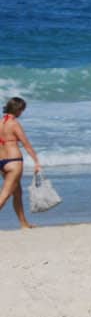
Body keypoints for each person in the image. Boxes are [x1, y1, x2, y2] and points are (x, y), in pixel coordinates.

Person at [1, 97, 43, 229]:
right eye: (22, 110)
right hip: (14, 161)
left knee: (17, 193)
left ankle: (24, 223)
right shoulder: (14, 124)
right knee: (6, 194)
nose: (22, 113)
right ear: (18, 109)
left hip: (2, 161)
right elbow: (26, 144)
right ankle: (24, 223)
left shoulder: (0, 122)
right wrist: (36, 161)